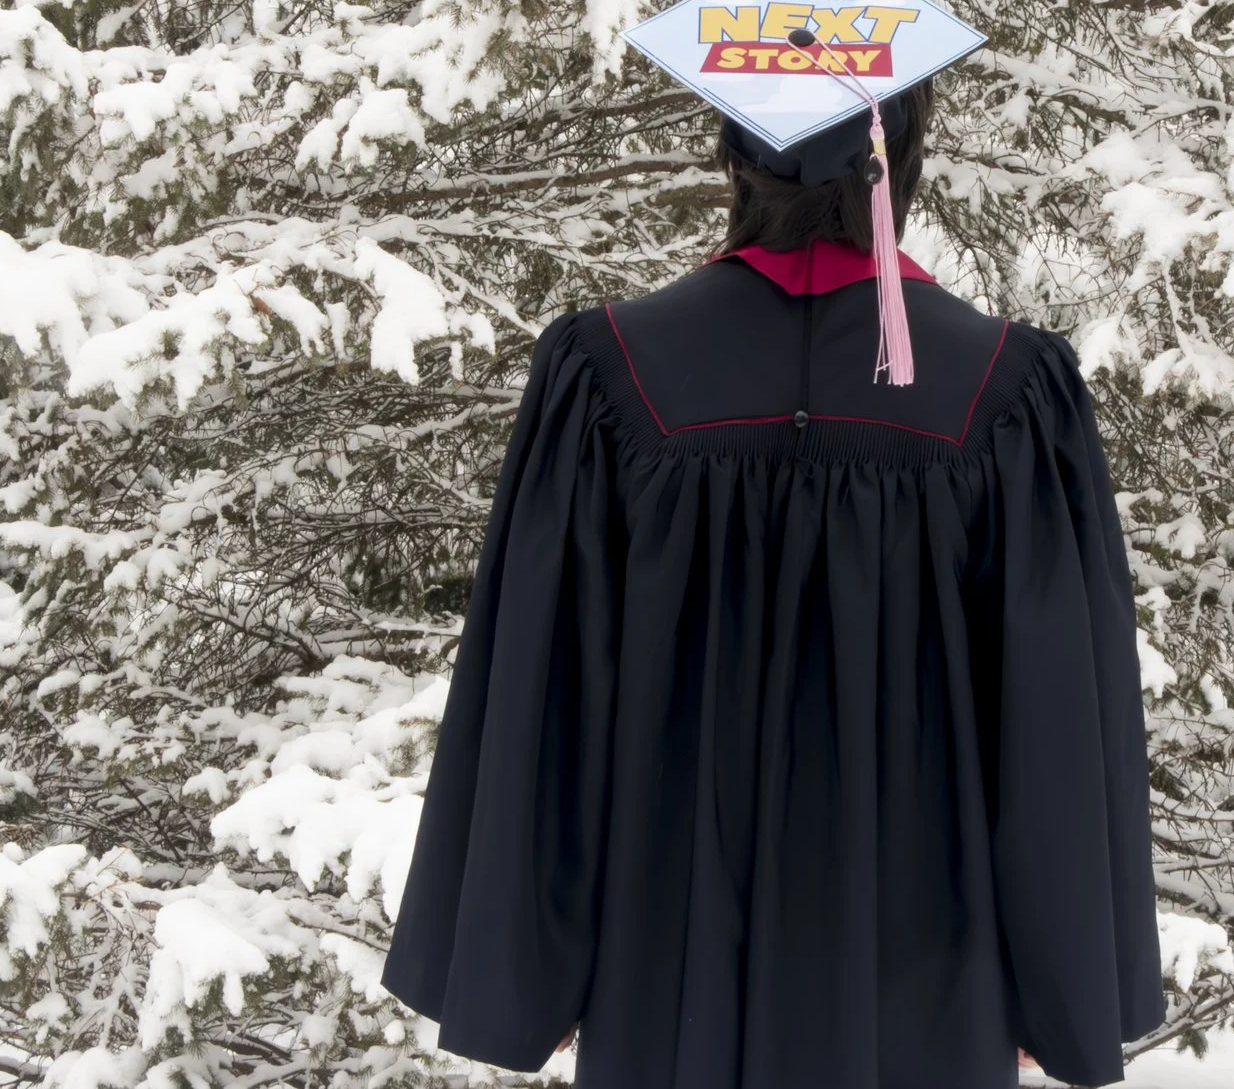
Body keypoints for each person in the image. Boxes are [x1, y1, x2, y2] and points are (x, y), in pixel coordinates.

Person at [378, 73, 1166, 1088]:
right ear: (897, 161)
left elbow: (548, 692)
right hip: (931, 976)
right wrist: (1054, 988)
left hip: (665, 969)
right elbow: (1054, 720)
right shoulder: (1004, 392)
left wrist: (536, 968)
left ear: (737, 157)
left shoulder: (610, 373)